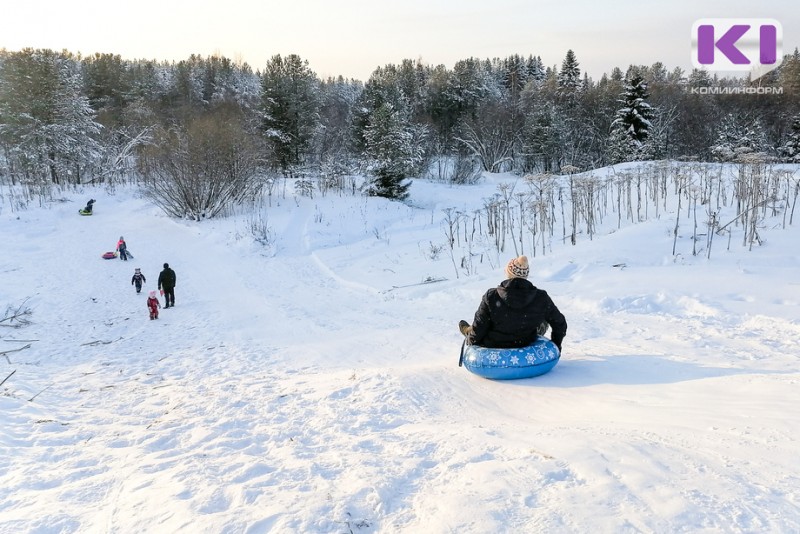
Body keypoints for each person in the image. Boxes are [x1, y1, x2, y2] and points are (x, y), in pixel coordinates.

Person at [458, 255, 567, 351]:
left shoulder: (491, 296)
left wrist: (471, 342)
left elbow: (480, 328)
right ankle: (469, 330)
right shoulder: (541, 297)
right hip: (524, 342)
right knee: (544, 317)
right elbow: (560, 323)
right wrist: (556, 346)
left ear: (508, 273)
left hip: (494, 343)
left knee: (479, 326)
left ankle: (468, 331)